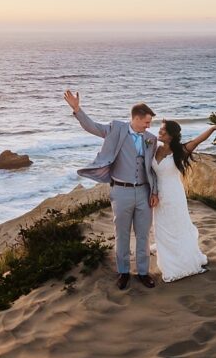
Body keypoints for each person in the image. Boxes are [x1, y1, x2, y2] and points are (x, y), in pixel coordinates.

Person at [64, 90, 158, 290]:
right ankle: (123, 272)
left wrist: (154, 192)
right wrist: (77, 109)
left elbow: (152, 168)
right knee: (122, 234)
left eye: (150, 123)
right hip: (121, 191)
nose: (149, 126)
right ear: (136, 118)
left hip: (143, 192)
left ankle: (143, 272)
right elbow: (93, 127)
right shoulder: (116, 128)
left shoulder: (150, 138)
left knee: (143, 235)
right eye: (146, 122)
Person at [151, 119, 216, 282]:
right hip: (158, 196)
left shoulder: (180, 151)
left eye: (163, 131)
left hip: (174, 195)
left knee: (178, 228)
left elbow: (198, 140)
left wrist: (213, 128)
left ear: (171, 136)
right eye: (160, 130)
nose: (159, 133)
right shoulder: (154, 149)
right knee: (161, 229)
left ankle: (181, 265)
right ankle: (168, 261)